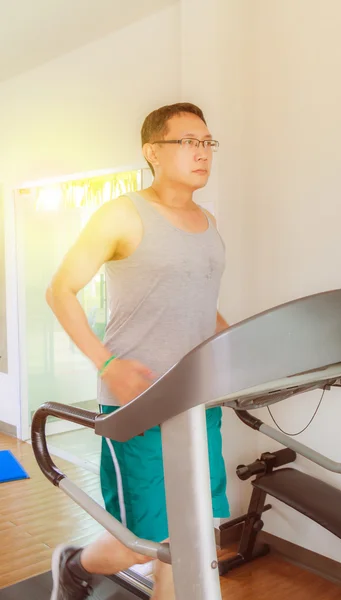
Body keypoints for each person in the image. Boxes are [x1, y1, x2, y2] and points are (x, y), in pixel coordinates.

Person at [46, 102, 230, 600]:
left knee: (192, 532)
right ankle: (76, 563)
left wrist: (234, 346)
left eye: (208, 142)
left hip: (198, 400)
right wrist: (107, 363)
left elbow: (201, 305)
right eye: (188, 141)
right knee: (148, 543)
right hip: (139, 401)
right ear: (153, 151)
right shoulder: (122, 214)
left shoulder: (208, 221)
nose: (203, 153)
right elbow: (60, 290)